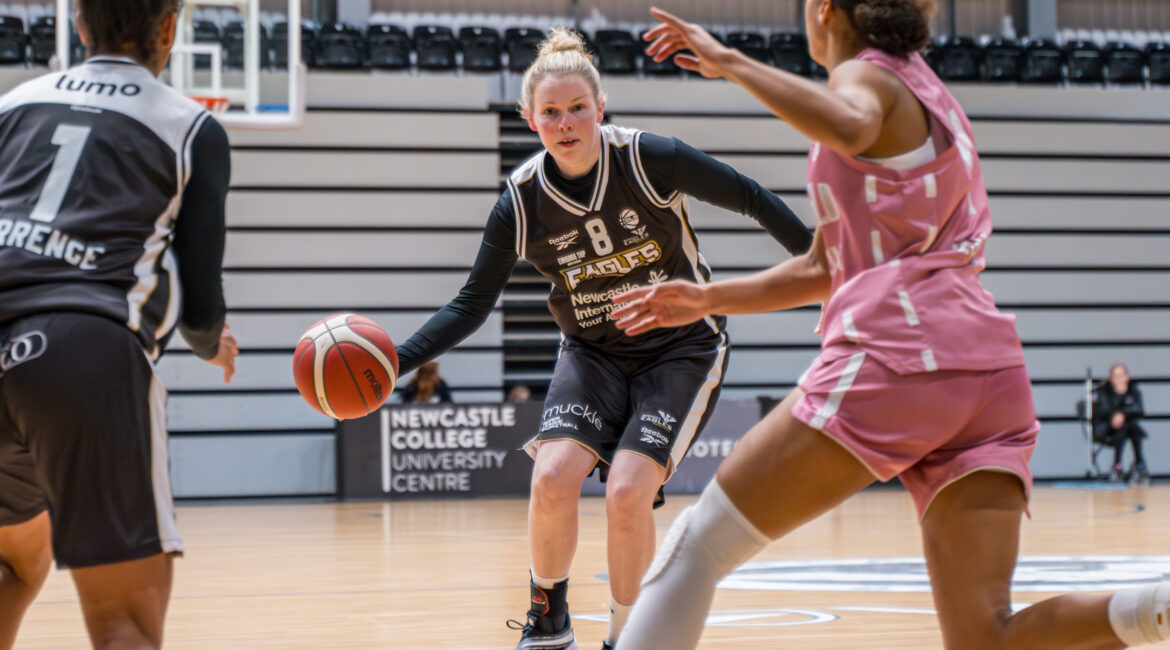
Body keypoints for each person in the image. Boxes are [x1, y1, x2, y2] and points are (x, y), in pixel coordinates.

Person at [610, 4, 1170, 649]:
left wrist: (730, 61)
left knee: (695, 545)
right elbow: (825, 267)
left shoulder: (867, 79)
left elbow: (850, 123)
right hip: (987, 374)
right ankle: (1157, 609)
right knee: (985, 637)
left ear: (824, 10)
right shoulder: (930, 94)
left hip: (903, 353)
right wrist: (705, 298)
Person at [388, 27, 812, 650]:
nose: (566, 123)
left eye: (577, 108)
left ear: (601, 108)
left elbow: (752, 197)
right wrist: (394, 362)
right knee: (553, 476)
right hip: (593, 351)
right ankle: (548, 620)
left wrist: (823, 272)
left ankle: (626, 637)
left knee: (626, 492)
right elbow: (471, 304)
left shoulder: (650, 158)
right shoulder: (521, 201)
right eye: (551, 112)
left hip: (682, 348)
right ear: (530, 119)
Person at [0, 1, 237, 648]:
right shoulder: (193, 127)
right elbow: (200, 304)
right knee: (122, 625)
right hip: (81, 348)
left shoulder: (15, 102)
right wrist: (213, 344)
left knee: (17, 563)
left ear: (78, 24)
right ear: (170, 28)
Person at [1094, 364, 1148, 484]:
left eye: (1121, 375)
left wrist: (1123, 414)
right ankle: (1119, 465)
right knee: (1123, 427)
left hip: (1129, 427)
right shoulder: (1104, 391)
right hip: (1108, 428)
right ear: (1111, 378)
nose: (1119, 379)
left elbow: (1139, 409)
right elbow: (1103, 410)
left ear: (1127, 377)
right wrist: (1115, 413)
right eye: (1116, 376)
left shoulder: (1133, 390)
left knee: (1131, 427)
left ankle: (1137, 464)